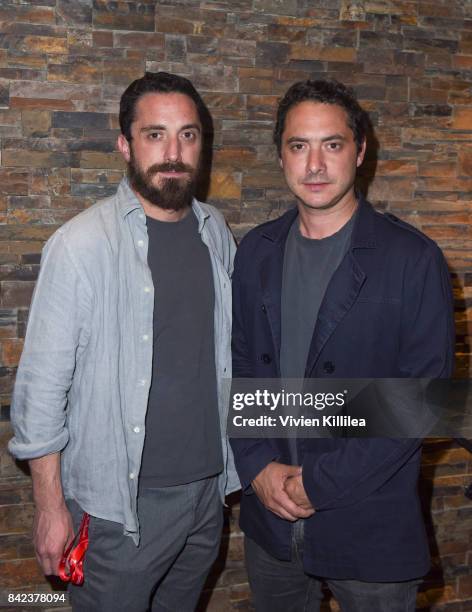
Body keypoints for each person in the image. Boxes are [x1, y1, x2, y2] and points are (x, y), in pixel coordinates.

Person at [9, 71, 239, 612]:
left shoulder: (216, 231)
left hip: (209, 495)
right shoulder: (81, 244)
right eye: (155, 134)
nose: (173, 152)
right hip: (119, 510)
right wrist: (50, 506)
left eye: (188, 134)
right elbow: (41, 390)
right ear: (125, 144)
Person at [230, 79, 455, 611]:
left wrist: (320, 484)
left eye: (331, 145)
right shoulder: (256, 252)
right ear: (281, 155)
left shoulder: (413, 259)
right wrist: (257, 464)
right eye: (298, 146)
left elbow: (421, 401)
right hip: (271, 525)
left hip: (369, 526)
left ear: (359, 151)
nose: (315, 165)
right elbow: (241, 365)